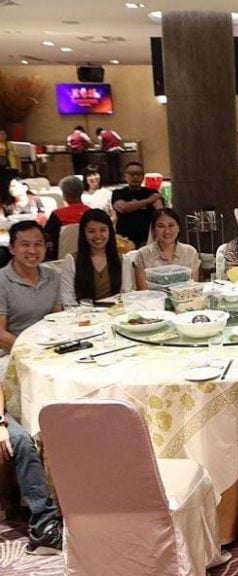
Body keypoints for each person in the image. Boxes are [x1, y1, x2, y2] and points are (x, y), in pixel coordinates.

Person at [0, 220, 64, 555]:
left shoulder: (52, 277)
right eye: (24, 244)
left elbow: (57, 319)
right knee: (21, 437)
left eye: (38, 244)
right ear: (12, 248)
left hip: (44, 355)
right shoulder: (2, 281)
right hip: (9, 358)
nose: (32, 250)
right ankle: (44, 522)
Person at [60, 209, 122, 305]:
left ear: (110, 231)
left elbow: (126, 294)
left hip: (116, 311)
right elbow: (68, 298)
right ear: (84, 233)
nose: (98, 236)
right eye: (91, 231)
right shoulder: (72, 260)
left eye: (103, 230)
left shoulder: (122, 259)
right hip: (83, 312)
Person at [133, 208, 199, 289]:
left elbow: (194, 288)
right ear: (153, 230)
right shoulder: (143, 254)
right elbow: (143, 291)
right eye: (161, 226)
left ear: (178, 228)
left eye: (171, 225)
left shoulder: (190, 252)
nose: (167, 231)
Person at [112, 161, 163, 249]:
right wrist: (148, 201)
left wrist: (134, 205)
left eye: (138, 174)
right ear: (125, 176)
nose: (135, 177)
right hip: (124, 242)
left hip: (148, 241)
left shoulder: (152, 193)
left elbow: (160, 211)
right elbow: (122, 208)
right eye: (131, 174)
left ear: (143, 176)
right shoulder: (118, 193)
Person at [44, 176, 91, 260]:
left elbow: (46, 236)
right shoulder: (91, 213)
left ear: (65, 194)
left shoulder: (57, 214)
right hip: (88, 258)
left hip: (61, 260)